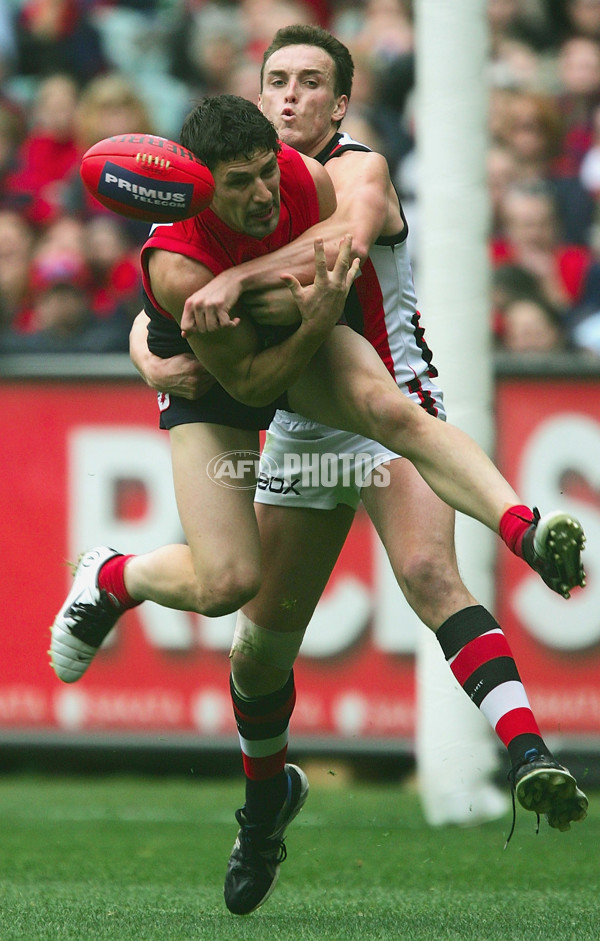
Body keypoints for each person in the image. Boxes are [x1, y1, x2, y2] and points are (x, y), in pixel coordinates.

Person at [50, 87, 587, 914]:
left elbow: (342, 237)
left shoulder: (332, 173)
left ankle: (524, 530)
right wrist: (164, 347)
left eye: (270, 168)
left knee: (398, 443)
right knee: (231, 592)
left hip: (332, 360)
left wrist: (275, 287)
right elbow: (249, 383)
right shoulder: (178, 262)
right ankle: (117, 578)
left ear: (333, 106)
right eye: (243, 181)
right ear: (202, 175)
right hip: (227, 379)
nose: (265, 192)